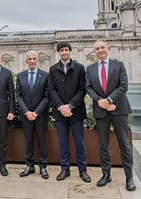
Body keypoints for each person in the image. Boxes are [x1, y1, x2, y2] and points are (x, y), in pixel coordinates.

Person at [86, 40, 136, 191]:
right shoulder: (90, 68)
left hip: (119, 109)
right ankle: (106, 175)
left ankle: (129, 178)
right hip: (101, 111)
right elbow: (88, 87)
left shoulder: (118, 64)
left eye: (102, 47)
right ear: (94, 52)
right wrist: (100, 101)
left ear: (108, 49)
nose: (100, 50)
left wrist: (109, 100)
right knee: (104, 145)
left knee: (124, 145)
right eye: (97, 48)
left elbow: (123, 85)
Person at [48, 41, 91, 183]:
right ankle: (64, 169)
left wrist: (71, 105)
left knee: (79, 142)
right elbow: (51, 90)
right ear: (58, 52)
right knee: (63, 142)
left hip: (76, 112)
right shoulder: (53, 69)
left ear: (70, 51)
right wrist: (61, 106)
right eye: (61, 50)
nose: (64, 52)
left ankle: (82, 170)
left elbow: (82, 89)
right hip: (60, 113)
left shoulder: (79, 68)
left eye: (66, 50)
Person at [15, 51, 49, 179]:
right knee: (28, 141)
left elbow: (47, 96)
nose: (32, 61)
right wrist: (27, 112)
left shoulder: (45, 76)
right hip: (26, 115)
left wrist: (36, 112)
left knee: (42, 141)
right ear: (26, 61)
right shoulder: (20, 76)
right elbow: (18, 95)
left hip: (40, 115)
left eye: (34, 59)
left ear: (37, 60)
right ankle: (29, 165)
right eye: (30, 59)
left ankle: (43, 166)